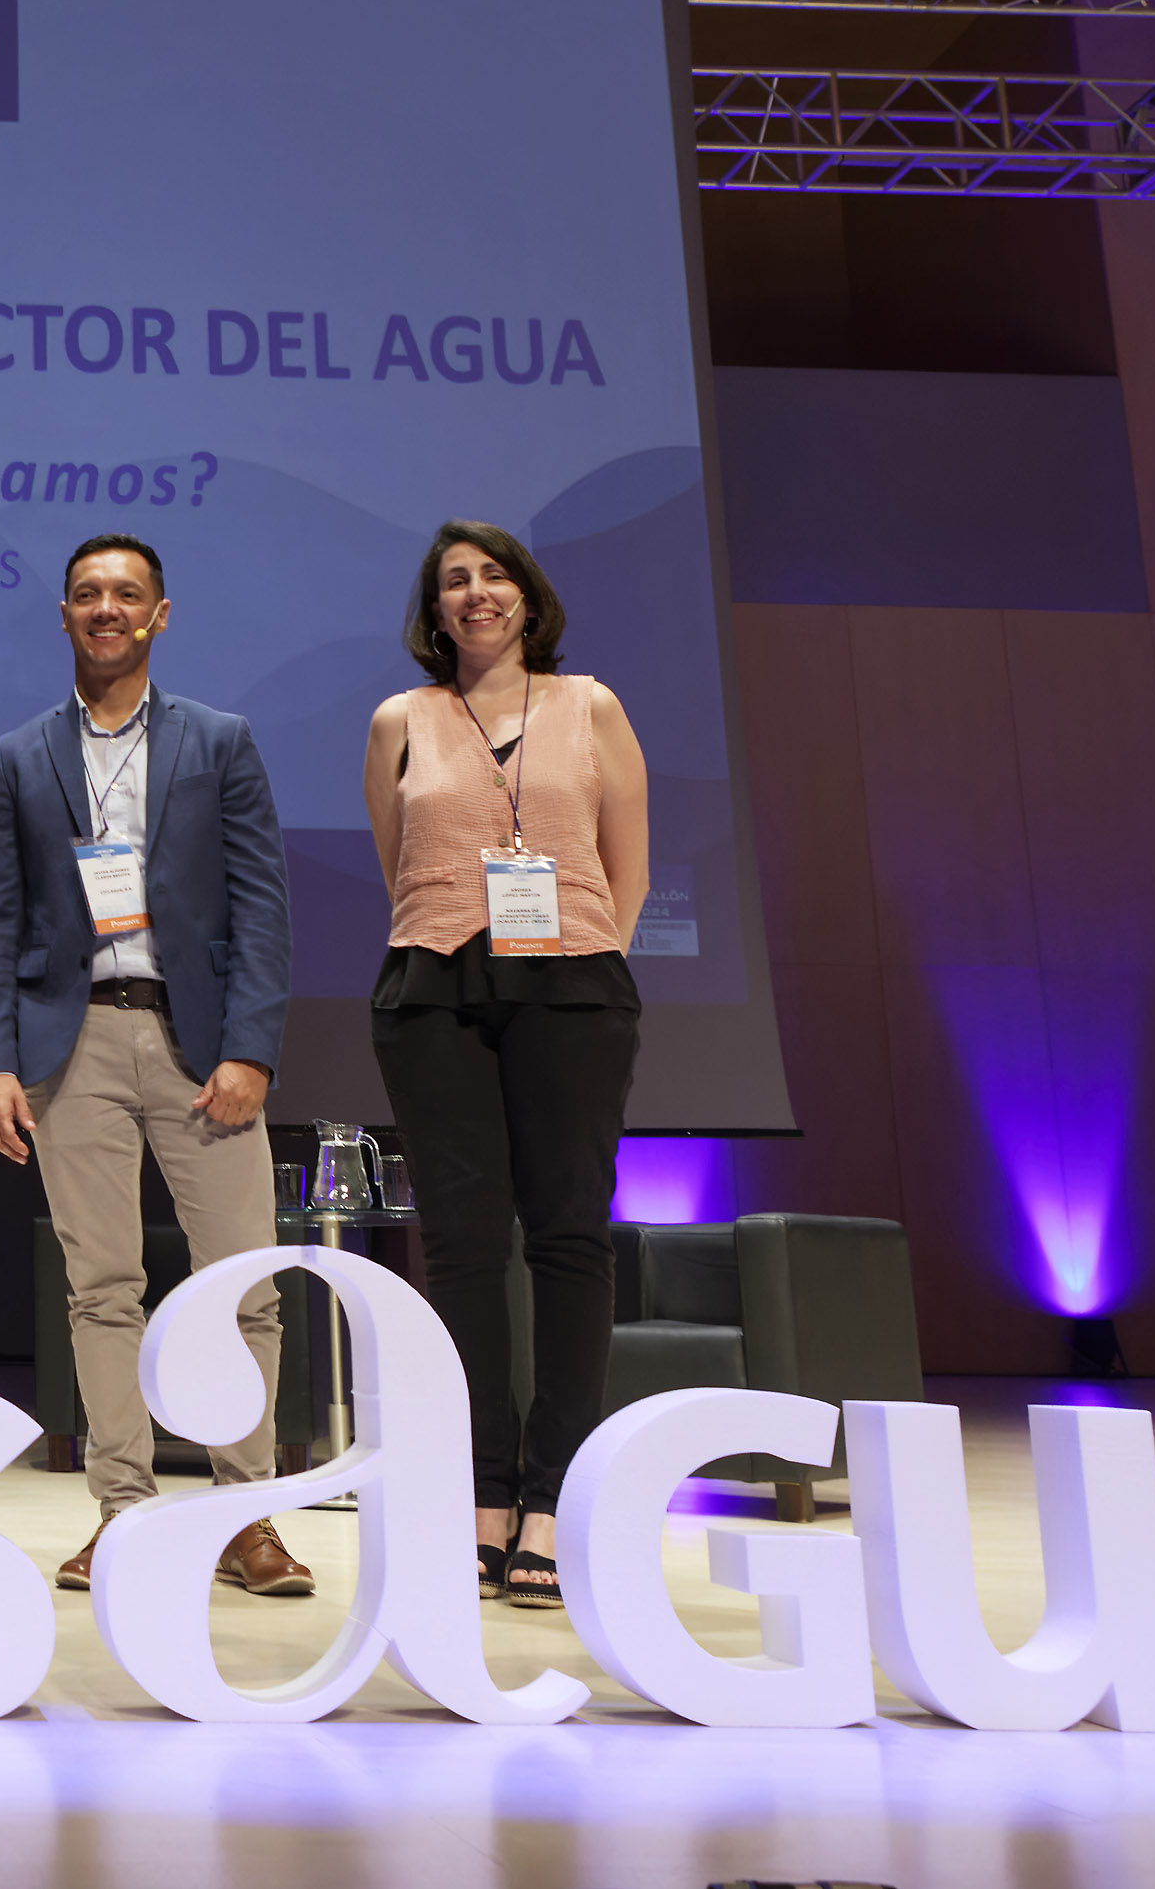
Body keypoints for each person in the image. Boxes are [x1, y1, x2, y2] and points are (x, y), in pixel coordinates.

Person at [0, 534, 311, 1599]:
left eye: (126, 594)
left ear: (161, 615)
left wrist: (253, 1045)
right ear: (64, 616)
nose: (105, 608)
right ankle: (122, 1508)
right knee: (102, 1287)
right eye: (86, 595)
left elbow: (262, 903)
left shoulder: (221, 741)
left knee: (239, 1286)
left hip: (198, 1042)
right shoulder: (17, 757)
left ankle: (246, 1521)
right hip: (72, 1046)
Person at [362, 519, 649, 1612]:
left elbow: (629, 864)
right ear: (433, 611)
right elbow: (402, 865)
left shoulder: (592, 704)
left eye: (493, 576)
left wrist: (585, 957)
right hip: (434, 987)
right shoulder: (402, 719)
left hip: (571, 984)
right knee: (466, 1245)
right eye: (453, 582)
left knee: (569, 1233)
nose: (475, 594)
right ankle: (482, 1496)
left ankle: (553, 1497)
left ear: (527, 596)